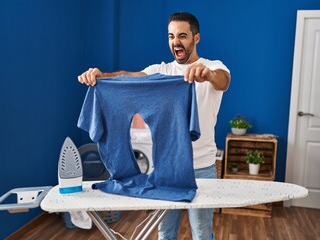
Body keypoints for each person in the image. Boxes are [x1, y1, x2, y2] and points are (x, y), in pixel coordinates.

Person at [78, 12, 230, 240]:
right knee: (164, 232)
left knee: (201, 232)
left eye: (182, 35)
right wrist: (101, 76)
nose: (175, 42)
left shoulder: (213, 67)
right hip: (165, 170)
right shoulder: (161, 71)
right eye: (171, 36)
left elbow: (223, 80)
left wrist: (206, 74)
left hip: (202, 168)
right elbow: (127, 76)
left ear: (196, 38)